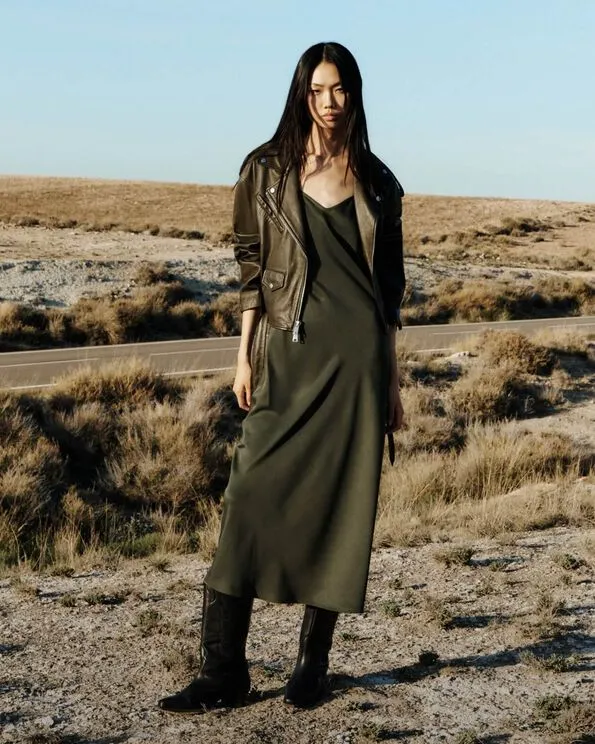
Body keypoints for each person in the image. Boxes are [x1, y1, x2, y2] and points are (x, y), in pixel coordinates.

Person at [158, 40, 406, 714]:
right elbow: (250, 266)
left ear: (354, 94)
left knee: (340, 507)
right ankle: (223, 672)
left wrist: (392, 383)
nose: (329, 103)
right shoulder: (264, 170)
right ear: (301, 94)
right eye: (318, 90)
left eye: (340, 90)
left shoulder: (379, 181)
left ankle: (310, 667)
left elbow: (388, 293)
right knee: (246, 500)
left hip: (354, 364)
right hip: (285, 357)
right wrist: (243, 354)